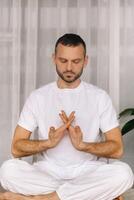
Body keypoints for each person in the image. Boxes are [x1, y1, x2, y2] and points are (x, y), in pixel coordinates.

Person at [0, 33, 133, 200]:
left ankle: (44, 198)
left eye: (76, 61)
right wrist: (48, 143)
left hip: (87, 172)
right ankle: (86, 195)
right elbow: (16, 148)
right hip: (48, 173)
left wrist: (83, 145)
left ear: (85, 61)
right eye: (63, 61)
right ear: (54, 59)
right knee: (8, 170)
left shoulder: (100, 97)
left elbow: (117, 149)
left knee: (124, 173)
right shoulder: (38, 97)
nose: (69, 67)